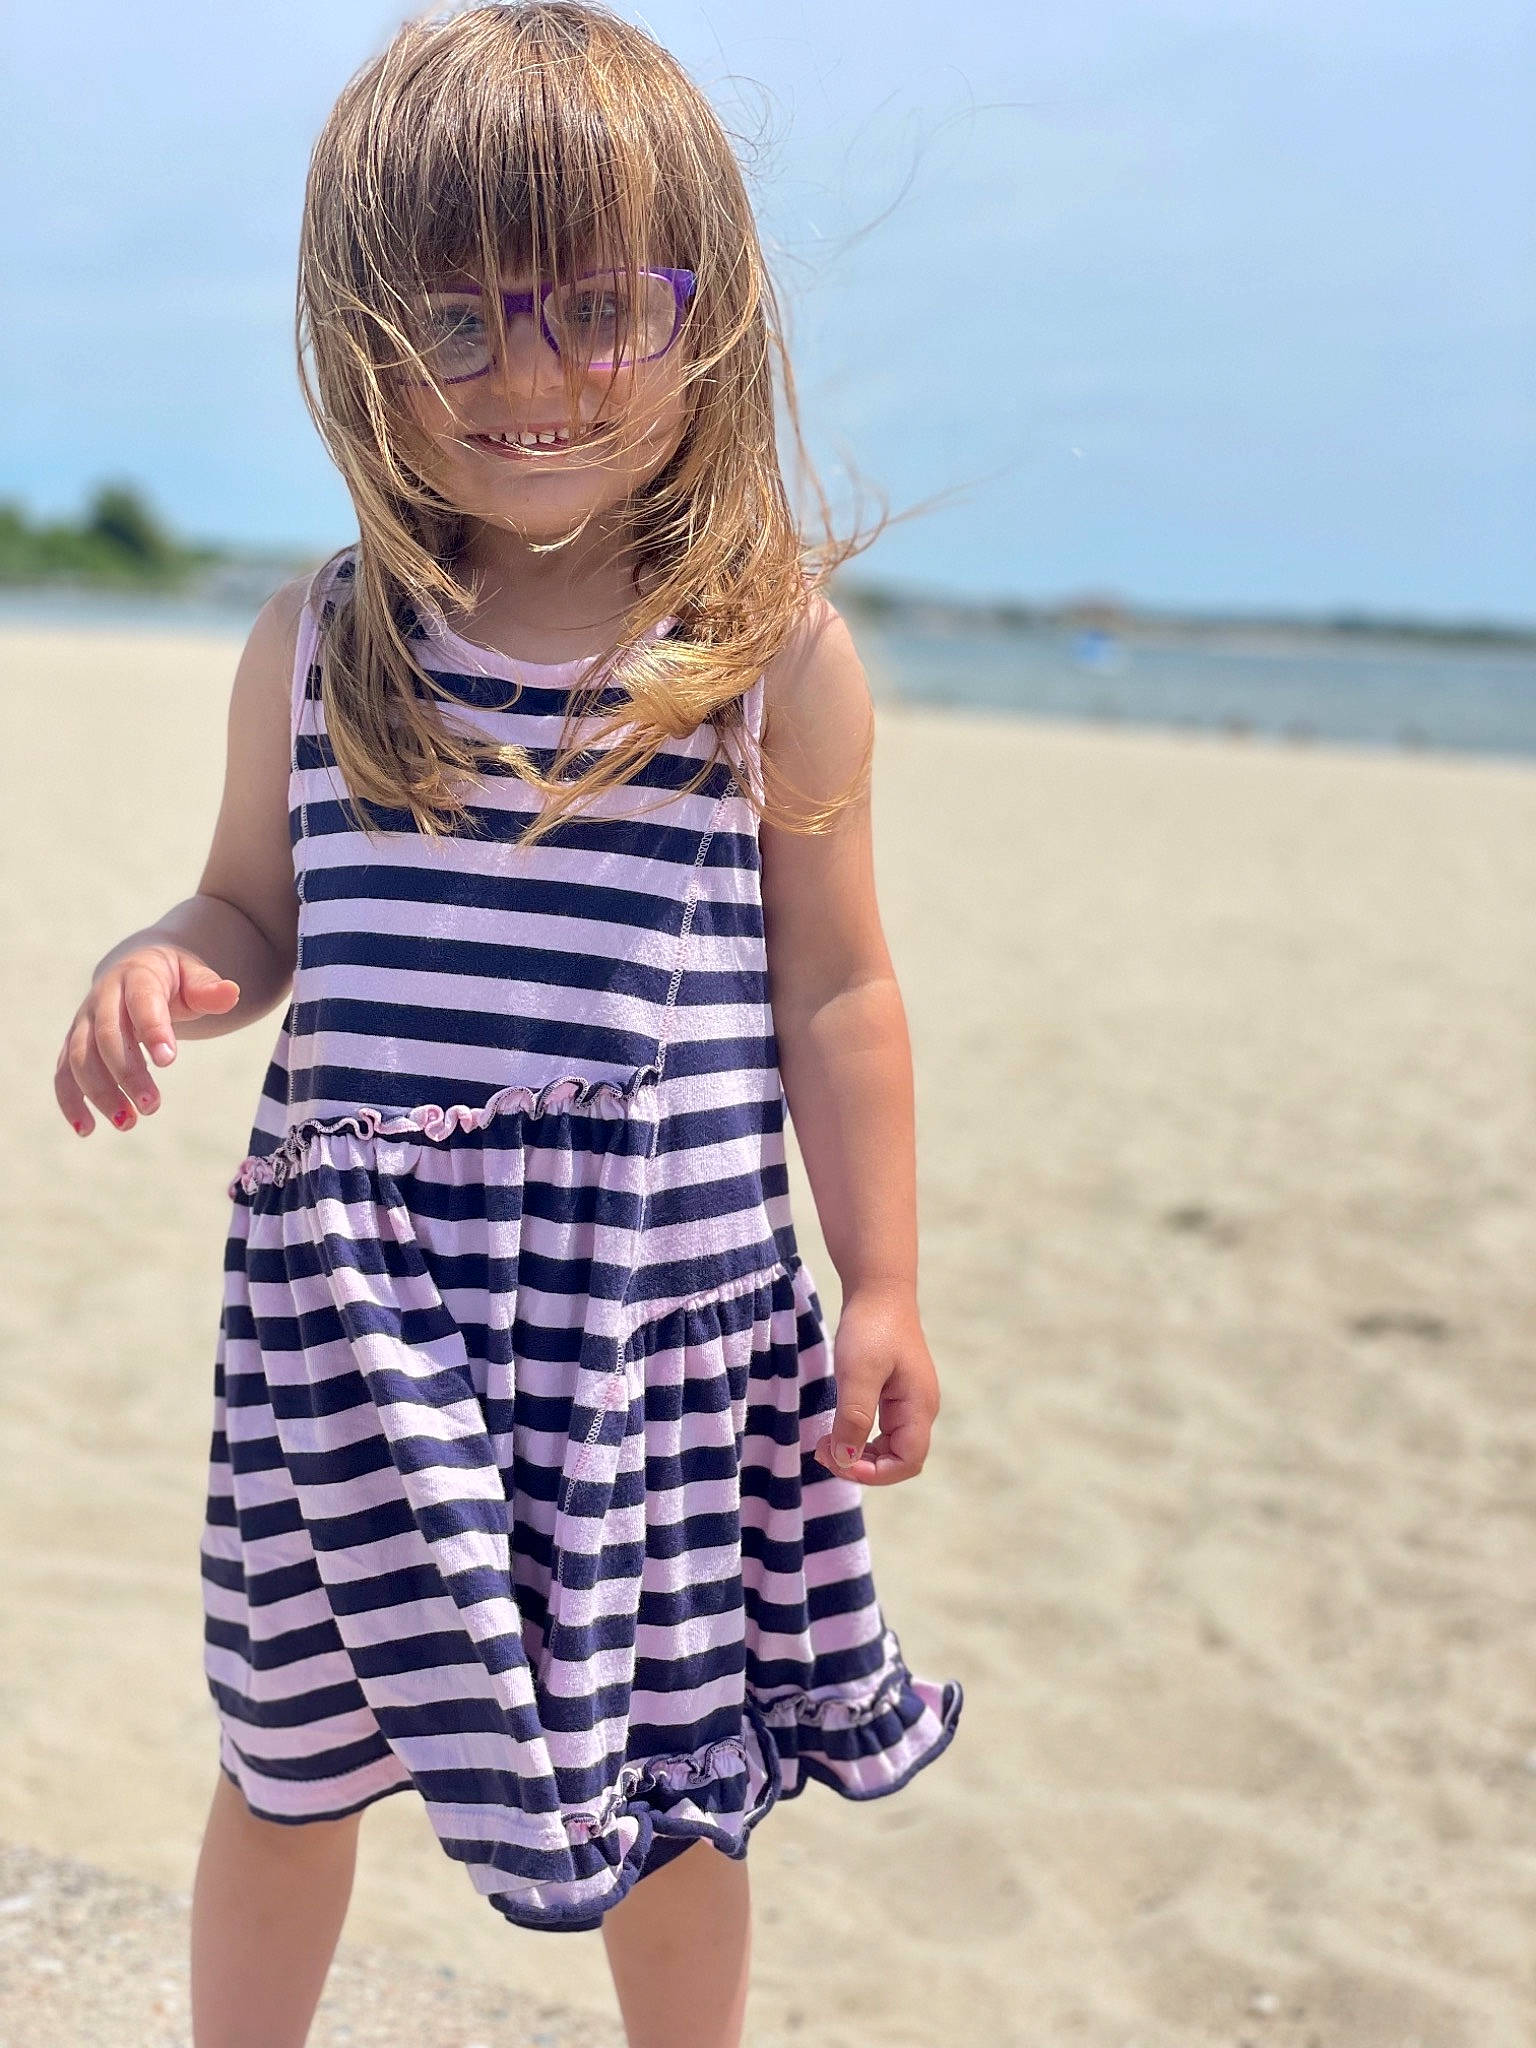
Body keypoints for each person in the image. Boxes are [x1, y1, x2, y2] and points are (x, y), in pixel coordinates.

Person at [52, 5, 962, 2044]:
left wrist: (882, 1276)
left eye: (598, 310)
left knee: (678, 1787)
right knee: (291, 1748)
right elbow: (251, 905)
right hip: (356, 1321)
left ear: (704, 312)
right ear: (358, 335)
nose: (530, 379)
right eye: (453, 325)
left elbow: (838, 988)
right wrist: (171, 960)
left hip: (654, 1314)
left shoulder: (763, 654)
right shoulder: (319, 645)